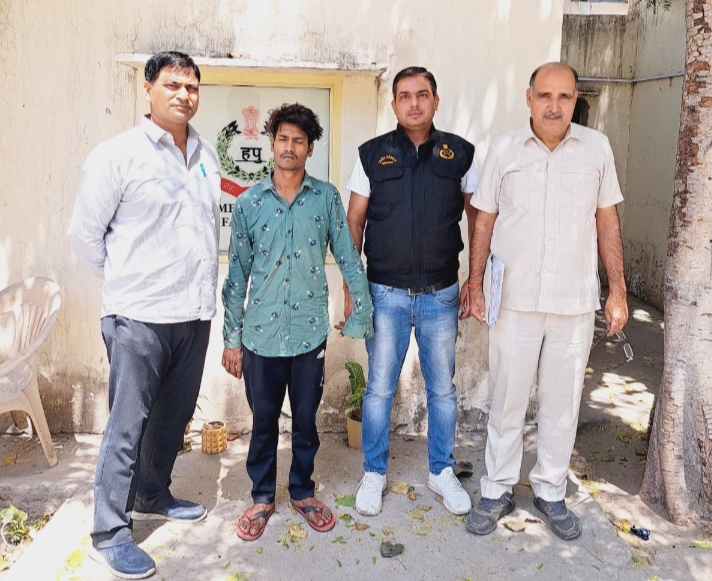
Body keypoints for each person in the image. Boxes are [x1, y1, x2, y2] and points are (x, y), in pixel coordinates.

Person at [67, 52, 220, 579]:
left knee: (172, 418)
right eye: (172, 84)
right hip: (138, 316)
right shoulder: (118, 155)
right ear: (149, 89)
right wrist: (127, 281)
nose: (184, 95)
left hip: (193, 314)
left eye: (192, 87)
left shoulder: (206, 154)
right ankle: (109, 533)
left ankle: (153, 494)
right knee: (127, 425)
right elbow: (85, 236)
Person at [465, 62, 628, 541]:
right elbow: (484, 220)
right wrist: (474, 283)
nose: (554, 106)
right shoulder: (504, 150)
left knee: (562, 403)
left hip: (573, 303)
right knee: (507, 399)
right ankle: (496, 488)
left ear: (575, 100)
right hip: (514, 301)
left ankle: (551, 491)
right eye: (545, 95)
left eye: (565, 96)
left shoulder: (596, 149)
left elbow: (607, 220)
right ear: (529, 98)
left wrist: (618, 290)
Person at [222, 103, 373, 541]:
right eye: (283, 139)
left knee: (306, 420)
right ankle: (262, 497)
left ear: (310, 148)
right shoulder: (249, 203)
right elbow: (237, 275)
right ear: (272, 144)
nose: (290, 147)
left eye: (299, 141)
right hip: (261, 337)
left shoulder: (325, 198)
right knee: (263, 421)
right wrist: (232, 338)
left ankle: (303, 492)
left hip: (308, 334)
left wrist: (360, 310)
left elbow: (348, 256)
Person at [343, 66, 479, 517]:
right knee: (380, 389)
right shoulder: (372, 155)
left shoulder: (460, 154)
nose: (414, 103)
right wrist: (352, 288)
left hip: (441, 294)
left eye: (422, 94)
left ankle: (441, 470)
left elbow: (479, 219)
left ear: (436, 101)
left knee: (442, 390)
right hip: (386, 295)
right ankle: (374, 472)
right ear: (394, 104)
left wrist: (476, 281)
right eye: (405, 95)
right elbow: (353, 223)